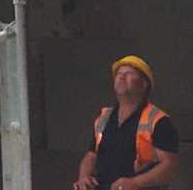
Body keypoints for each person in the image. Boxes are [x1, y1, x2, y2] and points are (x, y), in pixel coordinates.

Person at [76, 56, 179, 190]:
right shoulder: (104, 117)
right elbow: (91, 155)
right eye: (119, 74)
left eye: (129, 73)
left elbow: (170, 167)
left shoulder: (158, 121)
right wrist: (83, 177)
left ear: (144, 84)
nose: (121, 77)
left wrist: (135, 183)